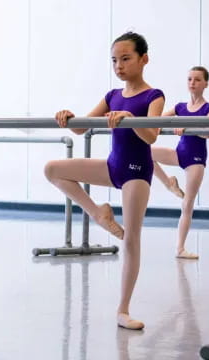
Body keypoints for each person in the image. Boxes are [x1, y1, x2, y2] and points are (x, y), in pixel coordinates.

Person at [44, 32, 165, 330]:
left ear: (143, 59)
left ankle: (123, 310)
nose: (119, 66)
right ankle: (98, 212)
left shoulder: (154, 96)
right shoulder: (112, 95)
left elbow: (152, 135)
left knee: (131, 238)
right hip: (113, 166)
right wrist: (68, 116)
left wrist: (129, 118)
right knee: (53, 169)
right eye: (114, 60)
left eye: (126, 59)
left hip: (137, 171)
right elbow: (80, 130)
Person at [151, 66, 209, 260]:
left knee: (187, 204)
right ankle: (169, 183)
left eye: (197, 79)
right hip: (179, 153)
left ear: (205, 84)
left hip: (196, 159)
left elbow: (207, 133)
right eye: (189, 79)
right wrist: (160, 126)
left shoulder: (208, 109)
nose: (192, 82)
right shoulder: (179, 107)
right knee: (145, 151)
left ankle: (180, 249)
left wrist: (186, 126)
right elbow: (155, 122)